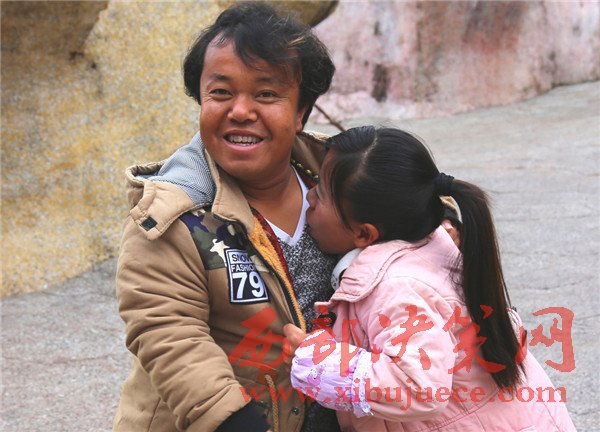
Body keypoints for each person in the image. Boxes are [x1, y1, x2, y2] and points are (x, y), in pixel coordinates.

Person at [113, 3, 341, 432]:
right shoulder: (169, 214)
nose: (240, 111)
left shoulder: (340, 181)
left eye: (266, 94)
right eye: (221, 93)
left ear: (301, 113)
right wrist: (232, 421)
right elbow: (170, 336)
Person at [285, 126, 576, 431]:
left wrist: (320, 362)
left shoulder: (398, 288)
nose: (310, 198)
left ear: (364, 233)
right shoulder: (433, 245)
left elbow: (418, 387)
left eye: (321, 193)